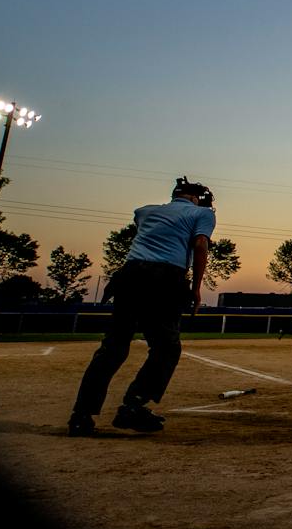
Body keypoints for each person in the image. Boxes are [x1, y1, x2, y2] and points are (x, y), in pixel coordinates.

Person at [67, 177, 213, 437]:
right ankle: (132, 406)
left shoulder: (144, 211)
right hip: (165, 277)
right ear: (194, 198)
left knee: (113, 347)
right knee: (166, 347)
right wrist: (196, 288)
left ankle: (81, 415)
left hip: (129, 275)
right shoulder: (202, 213)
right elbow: (200, 245)